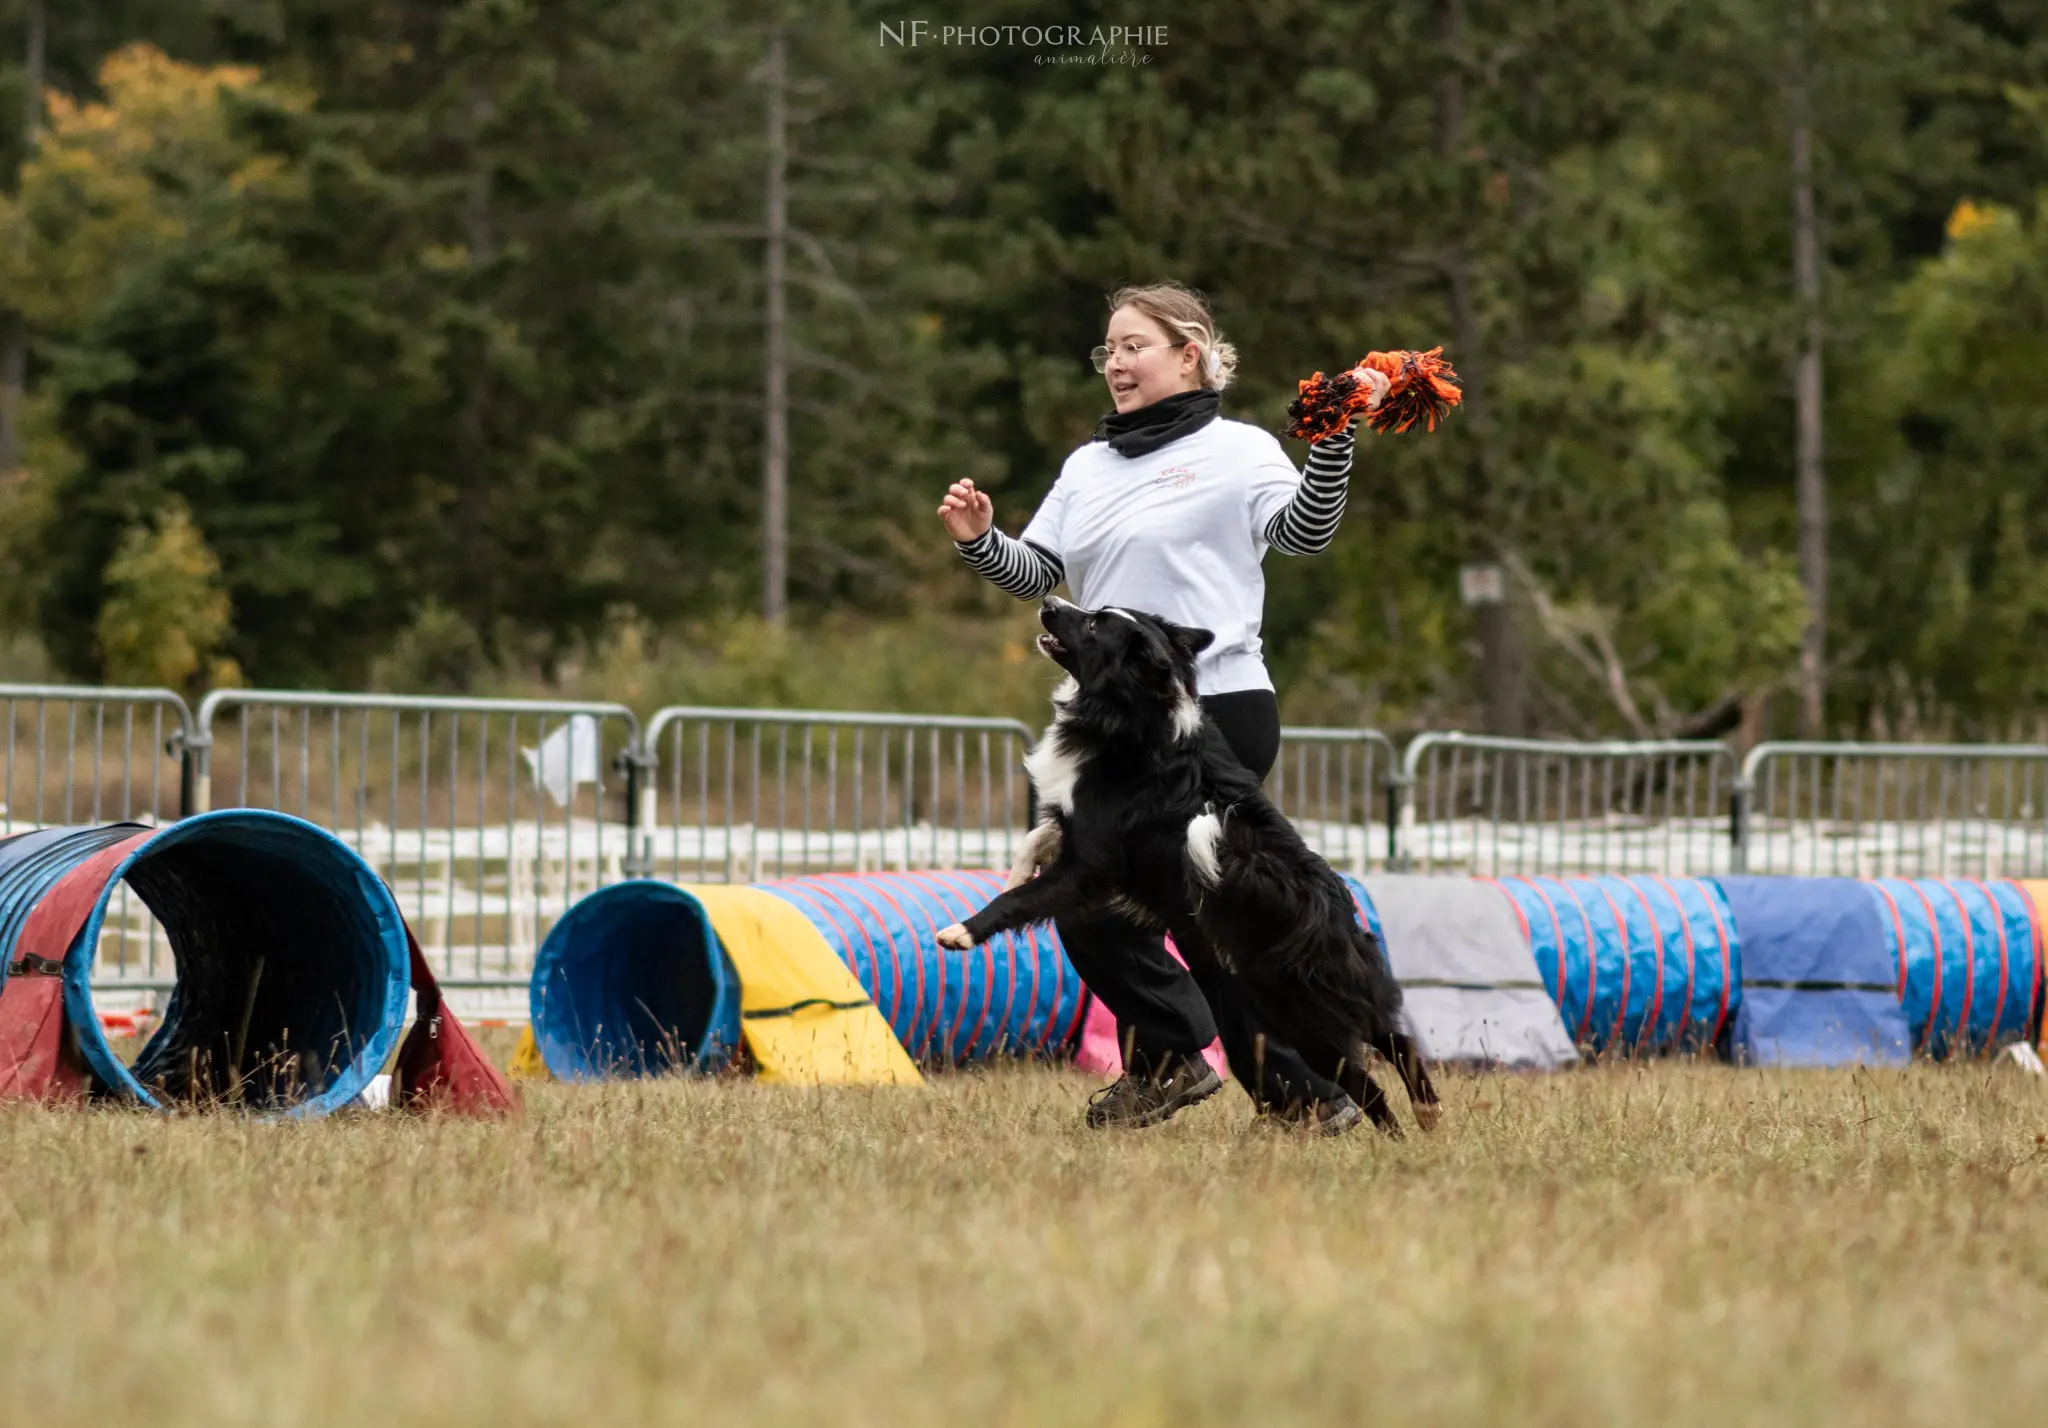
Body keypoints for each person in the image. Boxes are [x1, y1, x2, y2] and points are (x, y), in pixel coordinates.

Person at [935, 281, 1388, 1134]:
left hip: (1212, 712)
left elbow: (1305, 533)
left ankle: (1296, 1094)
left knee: (1200, 918)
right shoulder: (1088, 466)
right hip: (1108, 725)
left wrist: (1332, 444)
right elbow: (1040, 578)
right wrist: (980, 541)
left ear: (1191, 353)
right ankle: (1182, 1058)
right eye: (1108, 349)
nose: (1116, 362)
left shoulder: (1241, 449)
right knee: (1079, 892)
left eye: (1134, 345)